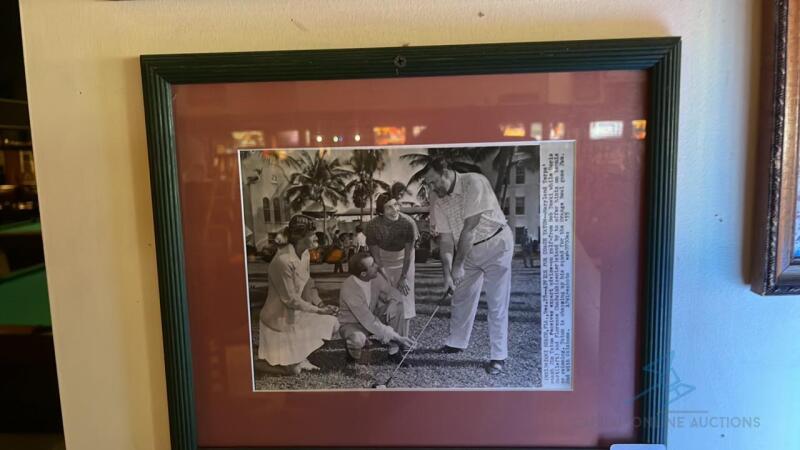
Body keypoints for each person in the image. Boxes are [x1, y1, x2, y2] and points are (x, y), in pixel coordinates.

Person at [424, 158, 514, 375]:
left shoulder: (475, 182)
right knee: (461, 296)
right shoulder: (438, 198)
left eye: (434, 181)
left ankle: (498, 356)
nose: (432, 188)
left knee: (496, 301)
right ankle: (457, 342)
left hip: (496, 244)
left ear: (445, 171)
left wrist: (458, 266)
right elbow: (446, 240)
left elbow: (469, 228)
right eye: (429, 184)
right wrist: (448, 275)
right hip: (468, 250)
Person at [257, 215, 339, 375]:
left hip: (297, 316)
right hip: (278, 321)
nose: (317, 238)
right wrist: (317, 311)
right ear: (301, 237)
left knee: (333, 323)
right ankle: (256, 363)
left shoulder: (306, 254)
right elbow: (291, 299)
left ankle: (300, 357)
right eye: (313, 234)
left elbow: (308, 283)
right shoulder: (283, 261)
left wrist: (321, 304)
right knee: (293, 371)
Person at [337, 253, 415, 363]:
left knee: (398, 305)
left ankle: (394, 351)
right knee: (357, 339)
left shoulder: (375, 277)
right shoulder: (349, 289)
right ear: (363, 273)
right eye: (372, 265)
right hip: (352, 324)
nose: (377, 266)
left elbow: (393, 292)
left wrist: (393, 302)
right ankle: (352, 351)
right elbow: (369, 321)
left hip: (371, 317)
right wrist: (398, 337)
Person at [366, 192, 418, 336]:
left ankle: (404, 339)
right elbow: (376, 257)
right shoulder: (372, 226)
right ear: (381, 212)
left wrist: (403, 277)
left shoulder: (408, 223)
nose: (395, 210)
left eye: (396, 205)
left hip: (404, 260)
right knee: (384, 296)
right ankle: (384, 334)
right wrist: (386, 280)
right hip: (383, 261)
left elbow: (408, 255)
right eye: (389, 207)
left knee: (405, 297)